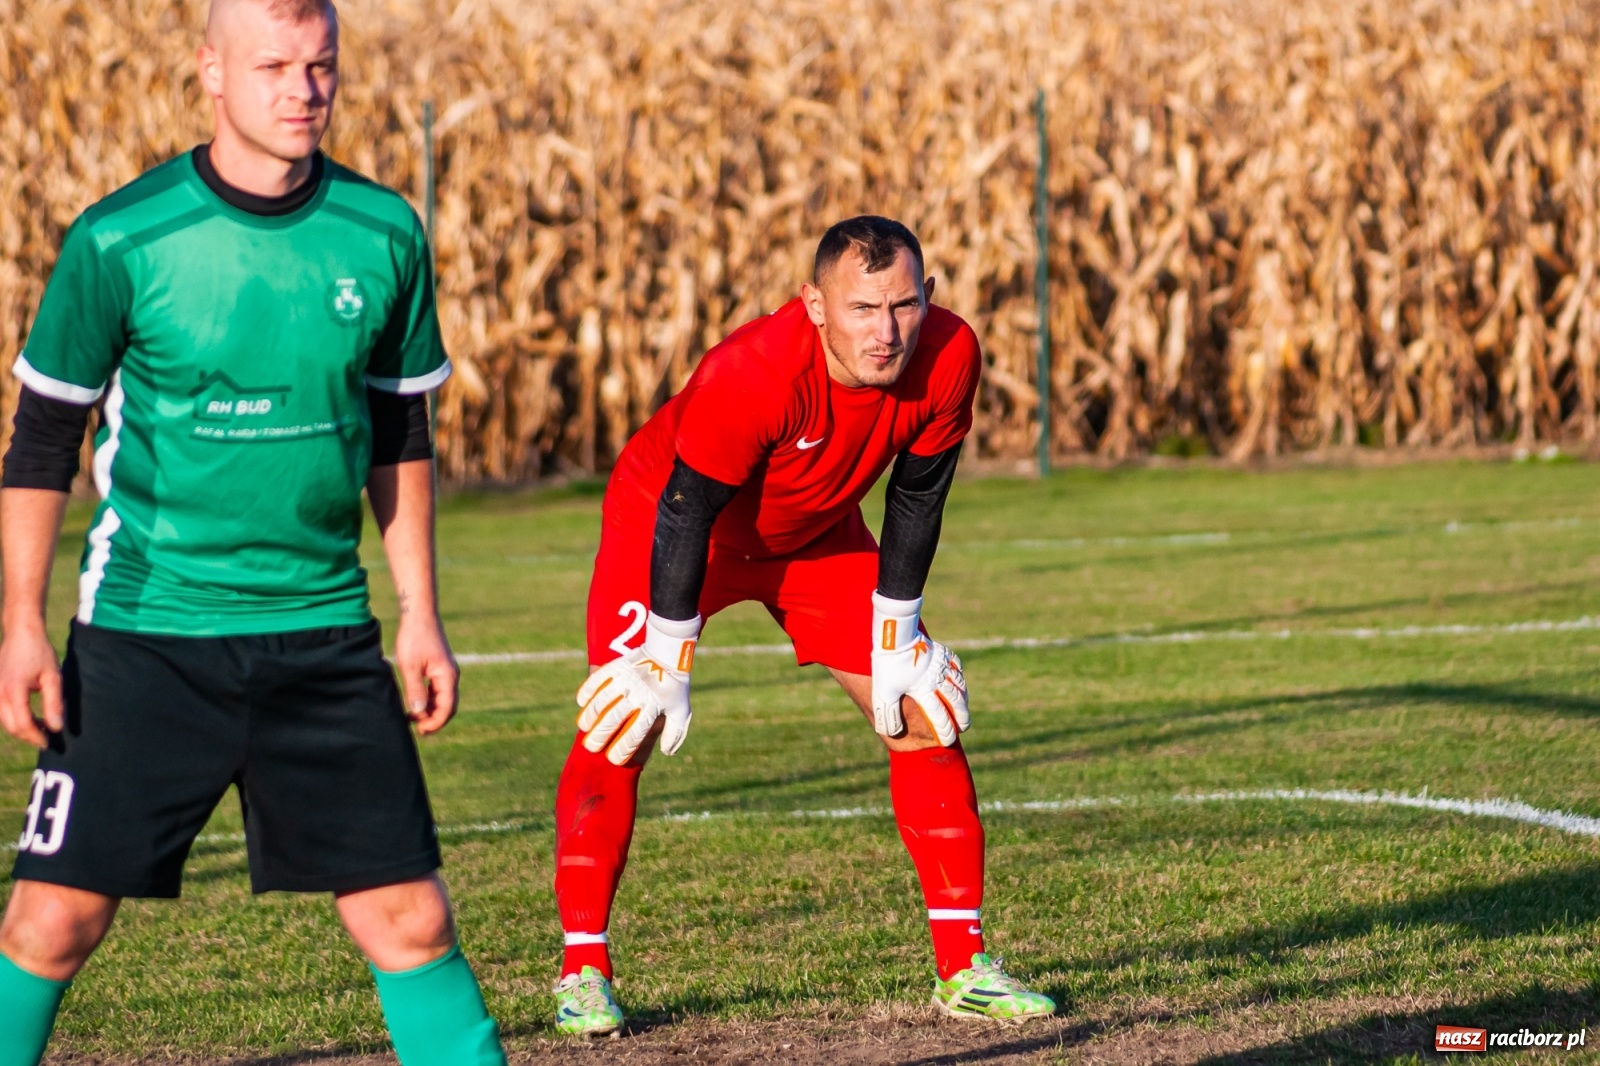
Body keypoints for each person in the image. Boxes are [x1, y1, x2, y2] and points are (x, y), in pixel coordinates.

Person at [0, 2, 506, 1063]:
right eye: (273, 65)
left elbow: (400, 427)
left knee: (409, 918)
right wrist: (21, 625)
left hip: (322, 636)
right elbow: (43, 439)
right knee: (49, 923)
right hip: (145, 635)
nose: (301, 90)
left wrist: (419, 613)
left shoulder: (383, 232)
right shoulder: (121, 239)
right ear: (211, 73)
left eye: (319, 67)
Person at [549, 215, 1057, 1035]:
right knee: (623, 722)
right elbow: (686, 508)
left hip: (813, 536)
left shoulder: (950, 354)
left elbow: (918, 496)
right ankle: (583, 971)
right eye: (862, 308)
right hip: (676, 528)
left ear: (927, 297)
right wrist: (666, 660)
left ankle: (965, 967)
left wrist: (899, 637)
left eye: (902, 305)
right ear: (814, 306)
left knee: (923, 714)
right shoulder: (752, 371)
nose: (886, 332)